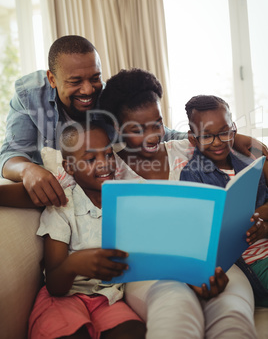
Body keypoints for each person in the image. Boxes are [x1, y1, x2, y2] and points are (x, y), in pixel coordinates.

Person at [0, 35, 266, 208]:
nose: (88, 90)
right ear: (52, 78)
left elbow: (161, 134)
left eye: (94, 77)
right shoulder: (29, 96)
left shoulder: (109, 100)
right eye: (75, 82)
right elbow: (11, 154)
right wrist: (27, 170)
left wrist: (225, 137)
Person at [99, 68, 258, 338]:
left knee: (233, 316)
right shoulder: (105, 169)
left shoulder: (189, 148)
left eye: (157, 123)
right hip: (151, 274)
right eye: (137, 129)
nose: (152, 135)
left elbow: (224, 140)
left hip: (214, 265)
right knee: (176, 313)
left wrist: (244, 139)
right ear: (116, 127)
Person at [28, 121, 146, 339]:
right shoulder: (63, 207)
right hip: (64, 299)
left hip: (108, 297)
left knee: (134, 332)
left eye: (109, 155)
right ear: (69, 167)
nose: (104, 164)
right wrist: (74, 264)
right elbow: (55, 285)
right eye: (91, 159)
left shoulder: (126, 201)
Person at [180, 94, 268, 307]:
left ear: (234, 129)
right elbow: (199, 232)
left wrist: (262, 221)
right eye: (207, 136)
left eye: (224, 133)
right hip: (252, 263)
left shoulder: (248, 163)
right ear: (193, 139)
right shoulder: (192, 175)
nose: (218, 142)